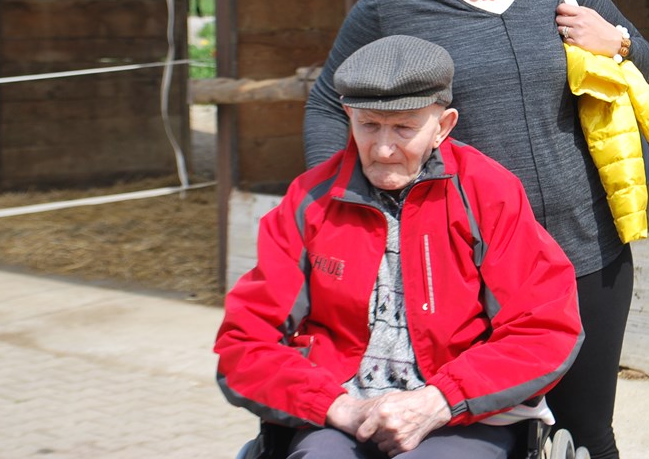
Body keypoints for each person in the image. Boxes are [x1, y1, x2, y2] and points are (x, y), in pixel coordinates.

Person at [302, 0, 649, 459]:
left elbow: (641, 60)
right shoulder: (395, 2)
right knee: (483, 435)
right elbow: (330, 100)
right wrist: (338, 207)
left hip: (586, 246)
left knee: (588, 432)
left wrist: (619, 41)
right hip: (466, 262)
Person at [217, 35, 583, 459]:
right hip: (342, 411)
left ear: (443, 126)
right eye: (369, 125)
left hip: (461, 412)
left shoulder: (489, 193)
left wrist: (439, 400)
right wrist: (337, 407)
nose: (383, 149)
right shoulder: (309, 200)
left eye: (404, 128)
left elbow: (545, 326)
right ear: (348, 115)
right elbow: (244, 342)